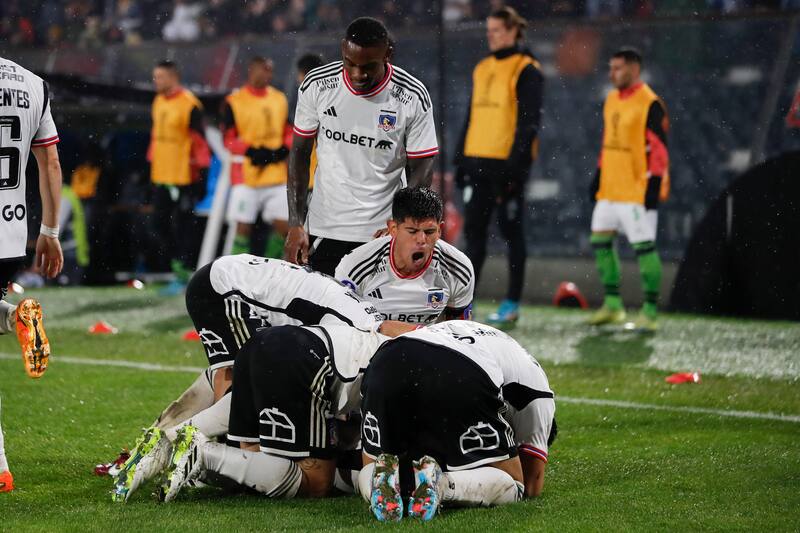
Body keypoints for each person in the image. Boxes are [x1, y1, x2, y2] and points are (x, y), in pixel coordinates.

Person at [111, 255, 414, 501]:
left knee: (249, 386)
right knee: (243, 392)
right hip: (226, 292)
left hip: (226, 284)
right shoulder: (361, 330)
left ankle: (161, 437)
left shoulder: (363, 319)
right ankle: (180, 445)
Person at [154, 323, 389, 502]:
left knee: (254, 455)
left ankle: (171, 446)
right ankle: (201, 453)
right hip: (305, 360)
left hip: (266, 342)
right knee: (317, 483)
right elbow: (372, 462)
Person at [358, 320, 556, 522]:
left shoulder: (480, 334)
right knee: (516, 485)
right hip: (459, 368)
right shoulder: (541, 397)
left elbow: (391, 327)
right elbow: (533, 485)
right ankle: (442, 484)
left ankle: (377, 482)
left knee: (376, 461)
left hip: (387, 359)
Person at [285, 16, 439, 275]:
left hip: (381, 233)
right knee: (321, 313)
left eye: (368, 66)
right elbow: (299, 155)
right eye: (350, 63)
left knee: (376, 314)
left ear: (387, 53)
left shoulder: (412, 96)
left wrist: (400, 225)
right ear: (343, 48)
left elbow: (422, 170)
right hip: (325, 228)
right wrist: (295, 223)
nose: (357, 74)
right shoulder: (317, 85)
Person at [454, 6, 544, 330]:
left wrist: (516, 170)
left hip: (506, 168)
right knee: (474, 236)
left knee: (511, 233)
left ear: (512, 32)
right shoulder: (482, 67)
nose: (490, 36)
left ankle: (512, 303)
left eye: (496, 30)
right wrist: (459, 160)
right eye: (489, 30)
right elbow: (471, 115)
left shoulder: (527, 69)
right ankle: (467, 301)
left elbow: (528, 124)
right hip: (477, 162)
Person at [0, 56, 65, 493]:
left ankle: (0, 466)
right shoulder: (33, 83)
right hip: (9, 230)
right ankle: (13, 318)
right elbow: (51, 164)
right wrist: (50, 231)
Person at [587, 48, 669, 332]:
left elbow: (659, 148)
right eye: (610, 67)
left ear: (634, 70)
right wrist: (598, 174)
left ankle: (650, 310)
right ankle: (613, 305)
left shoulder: (651, 103)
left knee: (644, 249)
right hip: (609, 189)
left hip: (636, 191)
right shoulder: (610, 100)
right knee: (600, 243)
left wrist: (654, 185)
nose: (611, 74)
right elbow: (608, 140)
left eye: (618, 68)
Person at [335, 187, 474, 324]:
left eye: (430, 231)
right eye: (412, 231)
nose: (421, 240)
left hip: (428, 346)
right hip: (371, 344)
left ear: (440, 230)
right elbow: (343, 330)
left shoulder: (458, 269)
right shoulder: (356, 266)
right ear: (393, 229)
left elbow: (458, 334)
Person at [148, 59, 210, 295]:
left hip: (184, 176)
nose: (156, 82)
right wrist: (150, 168)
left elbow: (200, 142)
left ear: (174, 77)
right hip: (162, 175)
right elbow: (157, 138)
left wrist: (201, 174)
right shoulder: (158, 101)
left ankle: (184, 274)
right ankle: (179, 270)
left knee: (184, 227)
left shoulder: (189, 104)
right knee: (159, 225)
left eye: (160, 77)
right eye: (155, 77)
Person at [222, 56, 290, 258]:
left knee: (284, 226)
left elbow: (289, 130)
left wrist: (281, 150)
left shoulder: (279, 98)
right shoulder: (234, 101)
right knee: (243, 226)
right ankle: (237, 274)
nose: (266, 74)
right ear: (251, 71)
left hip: (276, 171)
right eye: (262, 70)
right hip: (246, 173)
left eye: (269, 70)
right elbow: (228, 137)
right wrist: (251, 151)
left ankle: (271, 268)